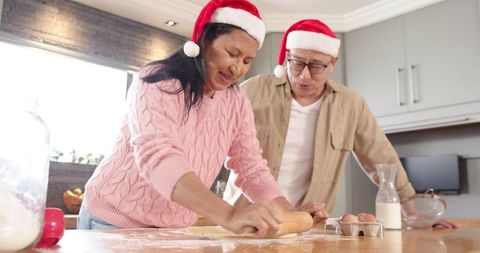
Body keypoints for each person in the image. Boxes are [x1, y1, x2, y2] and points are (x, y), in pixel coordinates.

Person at [78, 0, 295, 236]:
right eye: (232, 54)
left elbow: (251, 168)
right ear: (204, 40)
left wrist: (288, 213)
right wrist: (230, 215)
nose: (237, 69)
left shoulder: (236, 101)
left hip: (173, 228)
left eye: (246, 61)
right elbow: (159, 156)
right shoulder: (158, 80)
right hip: (114, 219)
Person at [223, 19, 457, 228]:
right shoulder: (252, 90)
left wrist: (413, 215)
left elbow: (381, 158)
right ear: (286, 57)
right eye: (296, 63)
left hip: (308, 224)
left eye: (316, 66)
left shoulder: (351, 105)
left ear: (333, 63)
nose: (304, 75)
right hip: (246, 219)